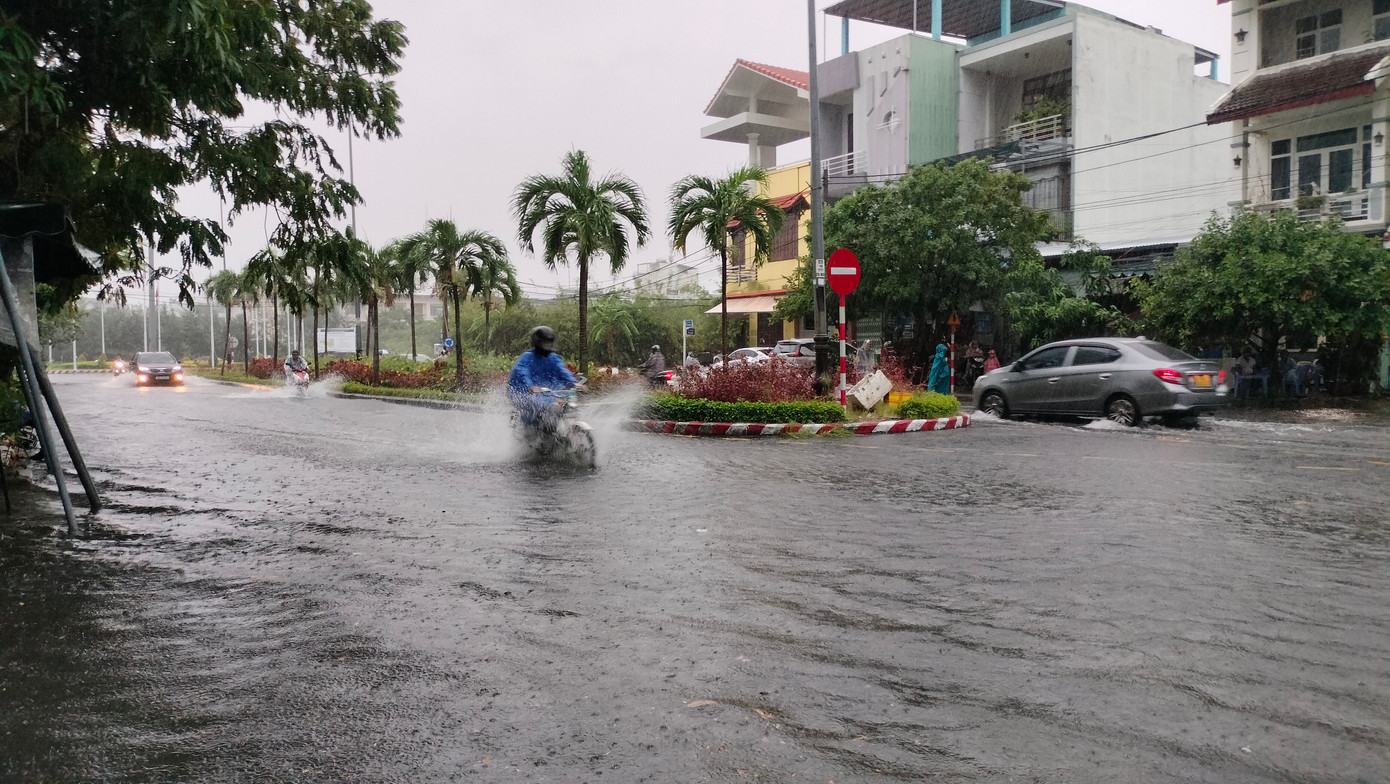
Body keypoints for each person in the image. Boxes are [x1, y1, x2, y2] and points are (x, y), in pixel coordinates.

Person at [509, 326, 584, 428]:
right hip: (528, 394)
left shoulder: (553, 358)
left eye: (549, 343)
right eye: (545, 343)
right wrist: (530, 386)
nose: (547, 346)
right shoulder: (527, 357)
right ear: (537, 342)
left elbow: (561, 370)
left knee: (565, 406)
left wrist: (574, 382)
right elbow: (522, 372)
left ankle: (555, 432)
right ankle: (536, 435)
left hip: (551, 392)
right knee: (538, 411)